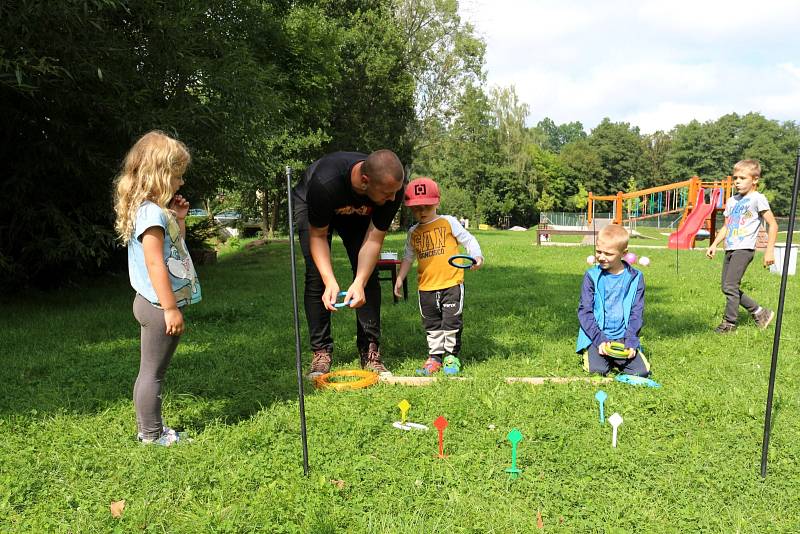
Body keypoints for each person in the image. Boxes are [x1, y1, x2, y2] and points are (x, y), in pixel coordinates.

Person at [113, 130, 201, 446]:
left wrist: (178, 218)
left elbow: (175, 249)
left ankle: (153, 430)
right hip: (157, 305)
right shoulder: (150, 213)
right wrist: (171, 308)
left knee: (151, 371)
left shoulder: (154, 211)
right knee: (152, 373)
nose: (180, 183)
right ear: (160, 175)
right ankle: (151, 435)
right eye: (177, 176)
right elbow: (155, 265)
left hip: (153, 303)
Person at [293, 150, 404, 378]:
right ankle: (321, 352)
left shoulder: (393, 187)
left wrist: (359, 281)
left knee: (368, 274)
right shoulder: (325, 183)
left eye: (394, 193)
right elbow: (318, 237)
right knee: (316, 276)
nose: (393, 199)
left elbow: (374, 238)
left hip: (359, 212)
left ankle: (370, 351)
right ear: (365, 181)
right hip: (313, 202)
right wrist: (330, 280)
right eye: (387, 193)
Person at [394, 177, 483, 375]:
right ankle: (435, 358)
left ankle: (451, 357)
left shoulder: (448, 222)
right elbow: (408, 257)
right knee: (432, 324)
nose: (422, 212)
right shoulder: (413, 232)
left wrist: (476, 256)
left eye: (426, 207)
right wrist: (400, 278)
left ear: (437, 202)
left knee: (451, 322)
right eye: (416, 208)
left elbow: (469, 240)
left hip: (451, 283)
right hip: (426, 287)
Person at [706, 159, 777, 333]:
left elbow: (773, 224)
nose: (737, 181)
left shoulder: (757, 198)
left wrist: (769, 251)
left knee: (730, 286)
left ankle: (729, 324)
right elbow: (726, 226)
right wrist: (714, 244)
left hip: (744, 249)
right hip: (730, 248)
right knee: (727, 287)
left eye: (742, 178)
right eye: (735, 177)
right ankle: (760, 312)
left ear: (754, 180)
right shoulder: (732, 201)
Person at [576, 224, 650, 377]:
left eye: (608, 253)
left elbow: (637, 313)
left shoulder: (636, 278)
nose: (601, 257)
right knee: (599, 370)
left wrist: (630, 341)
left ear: (624, 253)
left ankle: (616, 358)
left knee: (641, 372)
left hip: (623, 337)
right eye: (598, 252)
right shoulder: (591, 276)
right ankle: (595, 355)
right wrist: (599, 339)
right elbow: (585, 311)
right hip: (596, 336)